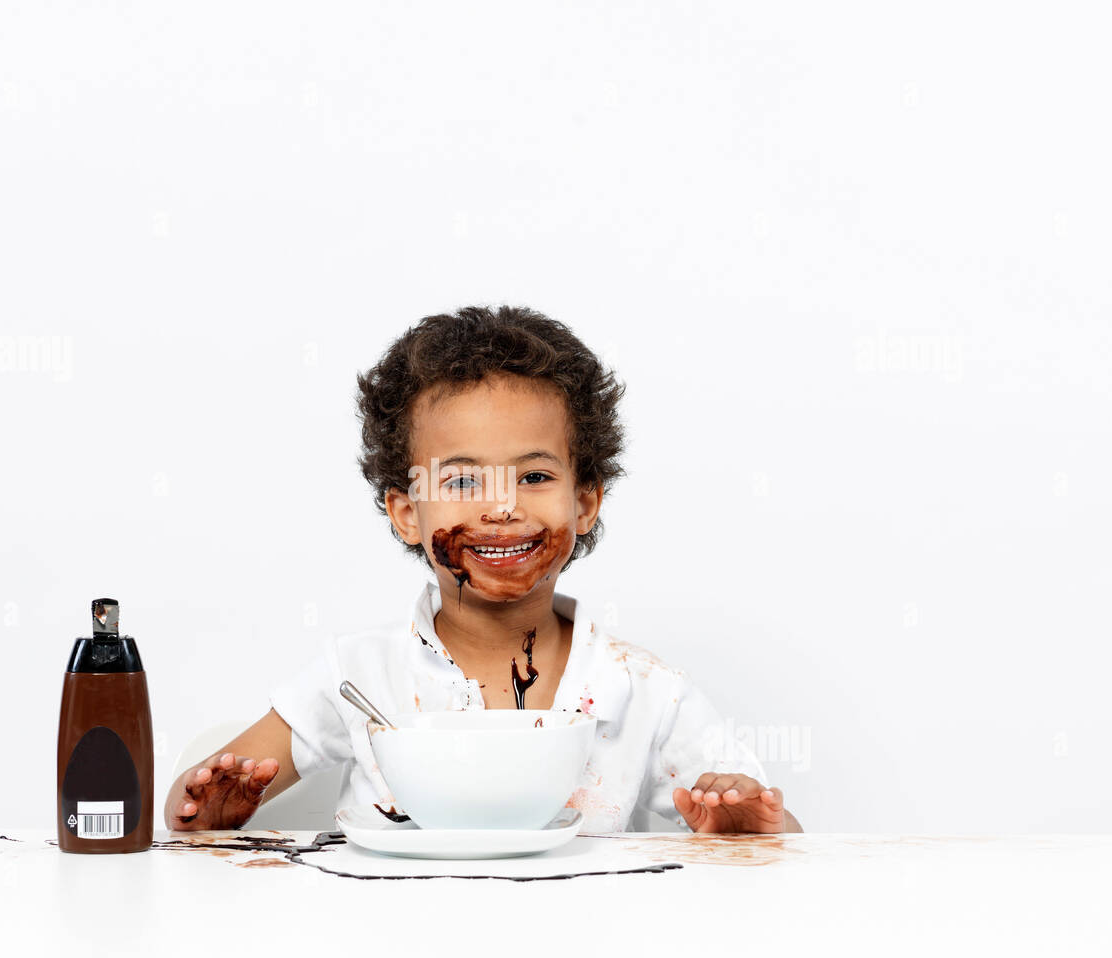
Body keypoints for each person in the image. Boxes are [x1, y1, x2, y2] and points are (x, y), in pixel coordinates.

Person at [164, 305, 802, 834]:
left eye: (534, 476)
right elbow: (189, 811)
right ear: (407, 513)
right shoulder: (358, 676)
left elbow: (780, 833)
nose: (501, 506)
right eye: (463, 479)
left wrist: (745, 828)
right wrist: (209, 811)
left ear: (584, 503)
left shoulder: (643, 691)